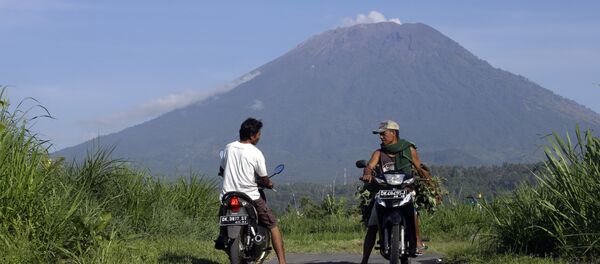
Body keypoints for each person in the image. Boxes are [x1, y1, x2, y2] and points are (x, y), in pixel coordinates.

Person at [360, 120, 431, 264]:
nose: (381, 137)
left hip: (405, 189)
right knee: (373, 224)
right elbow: (369, 166)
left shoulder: (409, 149)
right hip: (384, 191)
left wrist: (427, 178)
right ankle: (364, 260)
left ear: (394, 133)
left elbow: (418, 167)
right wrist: (367, 173)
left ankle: (417, 242)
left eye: (383, 134)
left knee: (414, 213)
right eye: (379, 135)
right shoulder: (379, 153)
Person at [217, 118, 286, 264]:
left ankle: (222, 236)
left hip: (228, 196)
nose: (259, 136)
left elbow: (222, 170)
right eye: (259, 133)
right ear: (253, 135)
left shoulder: (229, 147)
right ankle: (282, 261)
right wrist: (268, 183)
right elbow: (264, 179)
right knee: (273, 224)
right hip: (250, 197)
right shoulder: (256, 153)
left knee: (222, 217)